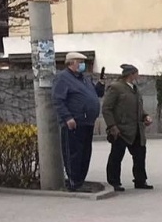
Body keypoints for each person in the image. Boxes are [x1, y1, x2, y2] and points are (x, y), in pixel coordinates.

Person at [53, 51, 101, 191]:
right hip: (74, 122)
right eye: (80, 62)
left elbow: (95, 94)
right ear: (71, 63)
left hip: (88, 121)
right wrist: (67, 117)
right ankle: (74, 182)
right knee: (74, 153)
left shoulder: (84, 78)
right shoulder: (63, 78)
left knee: (85, 153)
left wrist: (100, 86)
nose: (83, 65)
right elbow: (58, 100)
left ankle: (81, 180)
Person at [102, 63, 153, 192]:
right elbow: (106, 108)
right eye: (136, 73)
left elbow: (137, 108)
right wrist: (112, 126)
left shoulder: (134, 89)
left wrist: (145, 116)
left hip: (136, 129)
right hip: (121, 130)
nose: (138, 76)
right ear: (131, 74)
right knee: (116, 156)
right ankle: (114, 182)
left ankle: (140, 180)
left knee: (140, 154)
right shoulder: (116, 88)